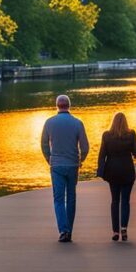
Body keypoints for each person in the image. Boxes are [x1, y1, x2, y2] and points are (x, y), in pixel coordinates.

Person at [41, 95, 89, 243]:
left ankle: (63, 230)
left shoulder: (49, 123)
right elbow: (85, 147)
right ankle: (70, 230)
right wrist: (81, 160)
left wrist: (49, 158)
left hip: (56, 165)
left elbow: (43, 144)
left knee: (59, 199)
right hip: (72, 165)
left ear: (57, 106)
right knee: (71, 198)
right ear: (69, 106)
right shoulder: (77, 123)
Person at [97, 113, 136, 241]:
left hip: (112, 171)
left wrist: (101, 171)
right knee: (125, 201)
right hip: (127, 171)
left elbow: (102, 155)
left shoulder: (106, 135)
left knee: (115, 201)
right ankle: (124, 229)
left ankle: (115, 231)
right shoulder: (131, 134)